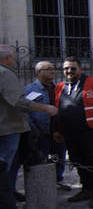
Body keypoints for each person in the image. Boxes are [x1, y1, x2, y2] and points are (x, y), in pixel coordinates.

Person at [53, 57, 93, 209]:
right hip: (70, 133)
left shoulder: (92, 83)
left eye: (73, 68)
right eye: (66, 68)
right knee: (77, 160)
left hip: (90, 132)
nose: (69, 71)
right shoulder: (60, 86)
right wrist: (57, 130)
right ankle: (85, 189)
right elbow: (56, 110)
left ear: (80, 69)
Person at [0, 46, 57, 199]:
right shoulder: (5, 73)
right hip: (8, 127)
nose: (14, 61)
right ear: (6, 59)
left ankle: (9, 194)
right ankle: (5, 200)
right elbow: (18, 101)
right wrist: (45, 108)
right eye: (12, 58)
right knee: (6, 165)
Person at [22, 61, 69, 191]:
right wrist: (34, 130)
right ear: (39, 72)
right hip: (40, 133)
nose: (52, 71)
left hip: (58, 132)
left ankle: (57, 180)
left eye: (53, 69)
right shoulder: (29, 90)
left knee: (57, 157)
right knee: (41, 159)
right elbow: (26, 112)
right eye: (48, 69)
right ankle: (42, 185)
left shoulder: (60, 88)